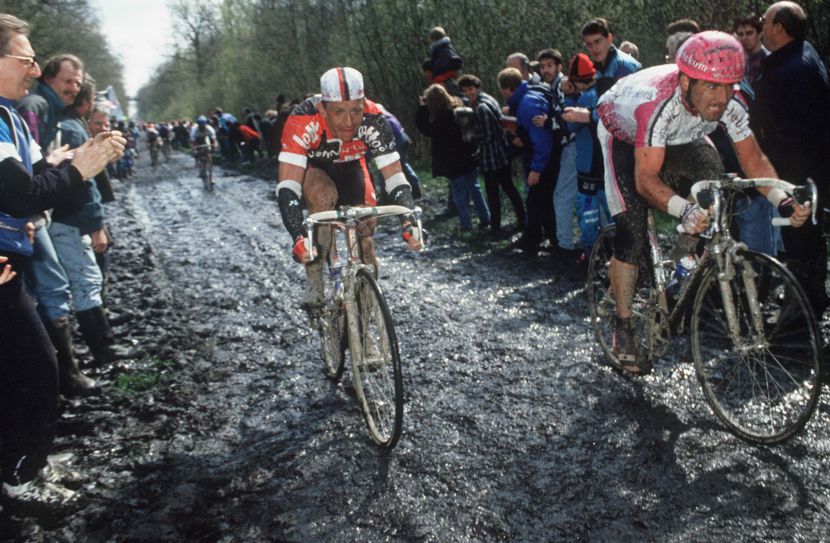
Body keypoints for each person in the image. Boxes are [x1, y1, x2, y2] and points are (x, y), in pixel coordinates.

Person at [595, 31, 810, 374]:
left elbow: (754, 162)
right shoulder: (658, 104)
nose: (722, 98)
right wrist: (684, 208)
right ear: (684, 81)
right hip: (622, 132)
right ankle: (623, 326)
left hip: (683, 134)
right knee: (632, 232)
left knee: (713, 175)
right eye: (711, 86)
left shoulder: (732, 101)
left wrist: (784, 200)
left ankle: (681, 264)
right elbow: (645, 180)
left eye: (728, 87)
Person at [0, 12, 125, 492]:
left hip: (12, 258)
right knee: (34, 367)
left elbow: (35, 174)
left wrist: (77, 157)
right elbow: (21, 195)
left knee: (26, 366)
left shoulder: (9, 113)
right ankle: (21, 478)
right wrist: (80, 170)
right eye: (26, 61)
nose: (34, 72)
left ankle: (26, 464)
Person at [276, 67, 421, 312]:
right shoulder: (302, 119)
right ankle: (315, 278)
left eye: (356, 110)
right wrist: (298, 235)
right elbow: (288, 187)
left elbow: (395, 176)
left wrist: (408, 220)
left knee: (366, 230)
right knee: (323, 199)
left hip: (353, 167)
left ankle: (366, 322)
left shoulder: (374, 117)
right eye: (339, 112)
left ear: (364, 104)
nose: (348, 121)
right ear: (323, 108)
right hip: (317, 170)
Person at [752, 1, 830, 318]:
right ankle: (807, 304)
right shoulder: (799, 55)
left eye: (764, 20)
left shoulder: (794, 68)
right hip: (804, 170)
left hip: (798, 172)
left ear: (779, 28)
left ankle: (799, 316)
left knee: (800, 239)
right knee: (804, 237)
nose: (761, 25)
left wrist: (767, 165)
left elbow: (795, 132)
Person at [498, 67, 557, 257]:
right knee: (541, 199)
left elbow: (542, 140)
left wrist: (536, 169)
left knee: (536, 199)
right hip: (541, 155)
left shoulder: (528, 104)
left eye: (502, 90)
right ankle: (548, 238)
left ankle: (538, 240)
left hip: (545, 158)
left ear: (507, 89)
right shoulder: (527, 97)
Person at [416, 83, 490, 234]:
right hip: (470, 157)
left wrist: (422, 108)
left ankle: (466, 226)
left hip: (453, 162)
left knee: (459, 194)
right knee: (475, 188)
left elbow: (424, 128)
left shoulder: (441, 118)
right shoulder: (462, 109)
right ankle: (485, 218)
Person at [458, 74, 524, 234]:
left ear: (477, 88)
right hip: (500, 153)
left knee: (494, 192)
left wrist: (471, 137)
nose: (469, 93)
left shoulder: (481, 108)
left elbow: (488, 135)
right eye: (465, 90)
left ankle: (496, 227)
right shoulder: (487, 98)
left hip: (492, 156)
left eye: (471, 89)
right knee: (509, 189)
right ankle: (521, 219)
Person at [561, 54, 611, 265]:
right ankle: (616, 251)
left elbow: (570, 125)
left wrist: (570, 97)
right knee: (610, 210)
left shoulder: (584, 98)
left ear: (576, 82)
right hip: (605, 163)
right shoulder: (605, 89)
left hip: (588, 166)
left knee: (587, 212)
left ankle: (592, 255)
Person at [581, 18, 641, 97]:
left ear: (609, 39)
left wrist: (589, 110)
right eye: (589, 44)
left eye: (597, 42)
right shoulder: (594, 69)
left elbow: (622, 104)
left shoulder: (626, 65)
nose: (594, 48)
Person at [733, 14, 767, 87]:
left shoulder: (769, 60)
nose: (744, 38)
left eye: (749, 33)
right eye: (741, 34)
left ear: (759, 34)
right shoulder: (737, 60)